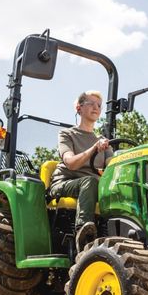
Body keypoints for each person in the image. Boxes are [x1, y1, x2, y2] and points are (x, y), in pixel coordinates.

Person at [48, 90, 110, 252]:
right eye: (91, 103)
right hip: (65, 184)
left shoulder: (102, 142)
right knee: (89, 181)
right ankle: (83, 233)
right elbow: (71, 163)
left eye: (99, 105)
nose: (96, 107)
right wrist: (93, 149)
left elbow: (112, 167)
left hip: (92, 188)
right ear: (79, 108)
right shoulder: (67, 134)